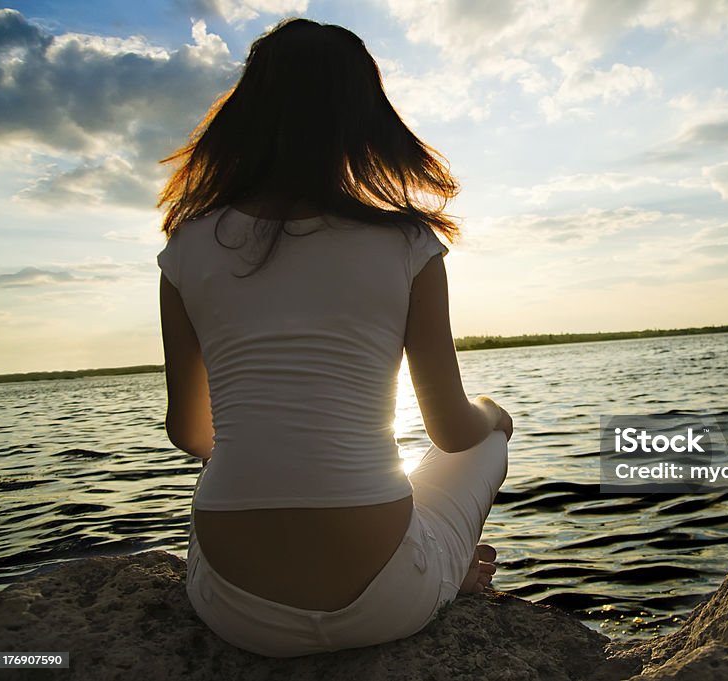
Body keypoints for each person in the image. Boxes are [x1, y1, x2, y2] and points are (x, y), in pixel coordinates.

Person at [155, 17, 512, 657]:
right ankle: (442, 578)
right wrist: (492, 414)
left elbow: (192, 435)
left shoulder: (186, 248)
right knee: (484, 444)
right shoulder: (409, 244)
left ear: (245, 116)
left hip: (239, 615)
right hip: (384, 603)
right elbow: (451, 435)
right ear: (363, 122)